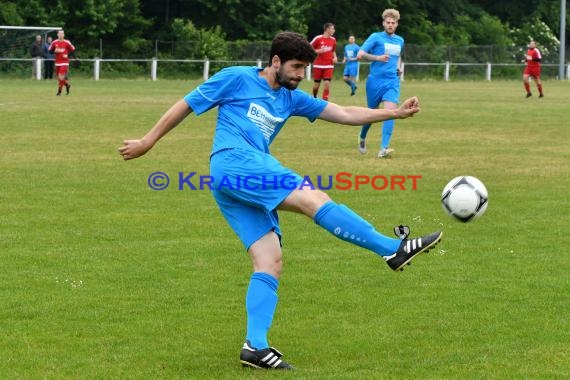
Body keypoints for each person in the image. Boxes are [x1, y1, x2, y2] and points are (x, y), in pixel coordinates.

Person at [118, 31, 442, 370]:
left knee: (269, 260)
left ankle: (254, 348)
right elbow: (186, 104)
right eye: (296, 67)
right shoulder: (236, 77)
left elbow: (344, 112)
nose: (301, 75)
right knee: (312, 198)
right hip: (235, 162)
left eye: (304, 68)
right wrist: (148, 140)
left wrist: (396, 114)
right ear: (275, 61)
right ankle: (391, 248)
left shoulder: (291, 98)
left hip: (233, 180)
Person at [357, 9, 404, 158]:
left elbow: (398, 57)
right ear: (383, 23)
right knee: (372, 113)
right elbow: (360, 54)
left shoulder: (400, 40)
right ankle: (362, 136)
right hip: (375, 82)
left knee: (390, 113)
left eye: (393, 23)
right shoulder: (375, 37)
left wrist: (398, 68)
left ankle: (384, 148)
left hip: (392, 81)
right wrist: (377, 58)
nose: (390, 25)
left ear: (397, 24)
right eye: (388, 22)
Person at [310, 23, 338, 100]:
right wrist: (318, 51)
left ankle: (325, 102)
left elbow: (333, 50)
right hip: (318, 65)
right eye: (332, 29)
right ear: (327, 29)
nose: (334, 30)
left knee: (327, 83)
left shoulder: (333, 40)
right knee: (316, 85)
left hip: (329, 65)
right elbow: (309, 48)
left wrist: (335, 57)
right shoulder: (318, 38)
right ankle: (314, 97)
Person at [49, 30, 76, 96]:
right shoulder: (54, 42)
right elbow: (50, 51)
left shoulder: (67, 42)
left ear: (64, 35)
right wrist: (55, 51)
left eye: (62, 33)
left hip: (65, 62)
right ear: (57, 35)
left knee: (61, 77)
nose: (61, 35)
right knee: (60, 78)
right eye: (59, 33)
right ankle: (67, 85)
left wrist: (68, 55)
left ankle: (59, 92)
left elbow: (73, 49)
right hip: (57, 62)